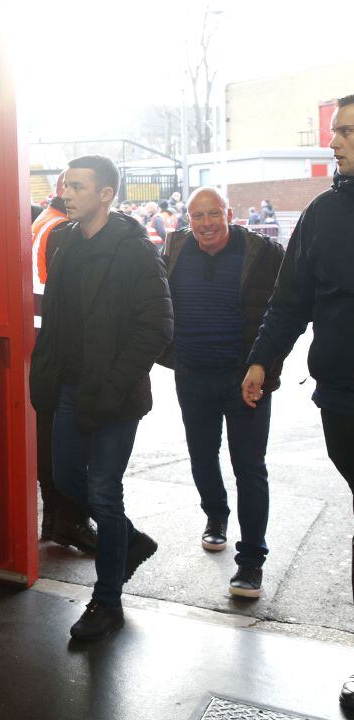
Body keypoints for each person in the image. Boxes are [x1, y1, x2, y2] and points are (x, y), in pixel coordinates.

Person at [241, 94, 354, 711]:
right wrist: (262, 359)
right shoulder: (322, 216)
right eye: (336, 130)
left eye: (346, 132)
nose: (333, 141)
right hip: (344, 402)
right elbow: (289, 304)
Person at [30, 154, 172, 642]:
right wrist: (45, 376)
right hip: (69, 388)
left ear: (106, 194)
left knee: (105, 492)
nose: (65, 193)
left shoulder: (135, 248)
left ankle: (106, 601)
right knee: (67, 478)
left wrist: (114, 384)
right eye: (65, 184)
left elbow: (155, 326)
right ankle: (129, 541)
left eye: (77, 186)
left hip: (115, 394)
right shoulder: (63, 241)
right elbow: (57, 319)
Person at [162, 188, 283, 598]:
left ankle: (250, 562)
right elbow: (156, 302)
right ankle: (215, 516)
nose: (207, 224)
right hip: (192, 375)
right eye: (198, 216)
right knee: (201, 455)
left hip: (245, 380)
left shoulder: (262, 253)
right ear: (187, 219)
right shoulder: (175, 248)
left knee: (249, 468)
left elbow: (282, 314)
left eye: (214, 214)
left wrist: (264, 366)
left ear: (229, 214)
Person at [31, 171, 97, 552]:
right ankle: (69, 520)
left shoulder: (45, 222)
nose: (72, 194)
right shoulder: (65, 231)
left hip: (43, 341)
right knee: (68, 442)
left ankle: (55, 519)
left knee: (50, 438)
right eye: (70, 187)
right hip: (60, 344)